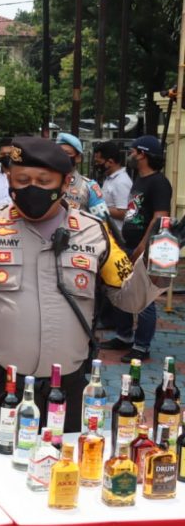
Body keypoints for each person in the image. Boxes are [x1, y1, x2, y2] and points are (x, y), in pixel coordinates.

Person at [0, 136, 169, 438]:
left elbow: (130, 299)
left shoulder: (93, 231)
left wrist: (159, 259)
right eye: (22, 179)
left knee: (60, 476)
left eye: (43, 180)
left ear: (66, 181)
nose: (31, 187)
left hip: (66, 389)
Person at [100, 135, 172, 363]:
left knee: (144, 298)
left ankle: (142, 345)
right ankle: (124, 336)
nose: (130, 155)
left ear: (143, 154)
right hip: (128, 244)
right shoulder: (139, 179)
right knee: (122, 288)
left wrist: (142, 246)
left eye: (133, 151)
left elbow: (160, 218)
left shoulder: (159, 182)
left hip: (144, 247)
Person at [55, 132, 105, 213]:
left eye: (67, 153)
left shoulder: (89, 187)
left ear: (78, 158)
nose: (61, 156)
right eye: (58, 152)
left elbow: (103, 219)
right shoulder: (44, 182)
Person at [94, 140, 132, 231]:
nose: (97, 166)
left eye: (99, 163)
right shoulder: (110, 178)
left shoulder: (121, 182)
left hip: (117, 234)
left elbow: (123, 212)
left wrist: (96, 207)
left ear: (110, 162)